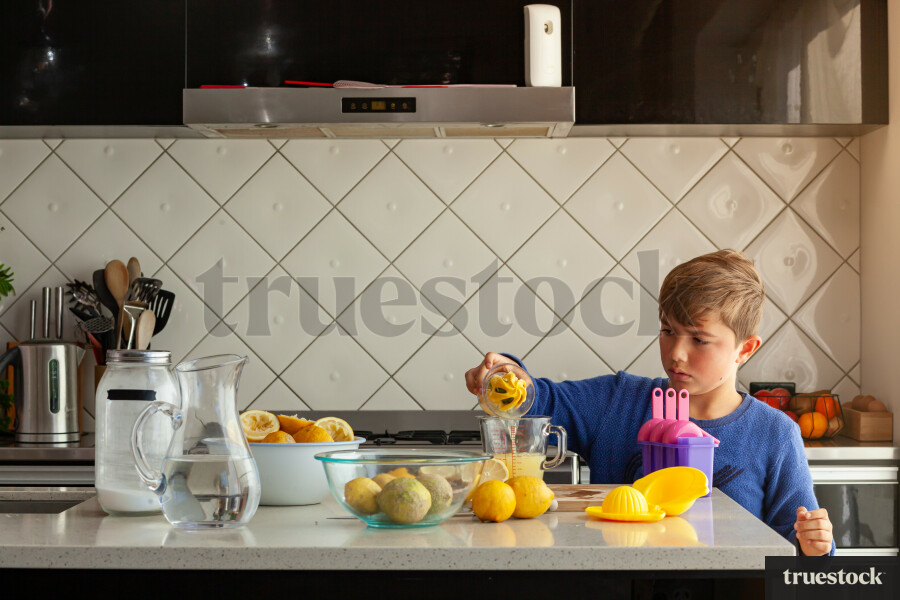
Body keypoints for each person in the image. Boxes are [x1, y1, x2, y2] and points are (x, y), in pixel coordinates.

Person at [465, 249, 835, 556]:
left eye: (699, 339)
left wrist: (816, 547)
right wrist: (508, 378)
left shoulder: (775, 434)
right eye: (668, 331)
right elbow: (543, 400)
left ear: (745, 349)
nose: (676, 353)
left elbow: (795, 549)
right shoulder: (618, 401)